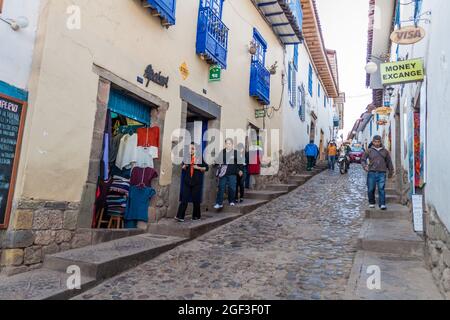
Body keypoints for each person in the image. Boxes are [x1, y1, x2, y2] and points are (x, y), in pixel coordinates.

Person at [175, 143, 209, 222]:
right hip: (187, 181)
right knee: (184, 199)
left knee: (196, 200)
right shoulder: (186, 157)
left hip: (196, 182)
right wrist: (184, 166)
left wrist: (198, 167)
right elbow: (183, 167)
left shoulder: (200, 158)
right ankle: (180, 216)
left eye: (193, 148)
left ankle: (196, 216)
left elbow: (207, 168)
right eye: (190, 148)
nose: (191, 150)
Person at [361, 135, 394, 210]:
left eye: (378, 142)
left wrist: (390, 172)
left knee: (381, 188)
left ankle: (382, 204)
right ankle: (371, 202)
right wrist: (365, 166)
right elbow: (363, 159)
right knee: (370, 189)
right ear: (373, 142)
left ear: (380, 142)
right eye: (375, 142)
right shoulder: (369, 150)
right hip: (371, 172)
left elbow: (389, 162)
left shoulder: (385, 151)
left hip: (382, 172)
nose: (377, 143)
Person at [214, 139, 244, 209]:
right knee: (221, 187)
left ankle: (231, 201)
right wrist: (215, 162)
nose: (228, 145)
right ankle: (219, 203)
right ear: (225, 144)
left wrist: (240, 170)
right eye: (227, 143)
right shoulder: (222, 152)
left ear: (232, 144)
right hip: (223, 173)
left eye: (229, 144)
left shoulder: (236, 152)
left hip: (232, 173)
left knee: (232, 188)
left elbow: (240, 162)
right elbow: (219, 160)